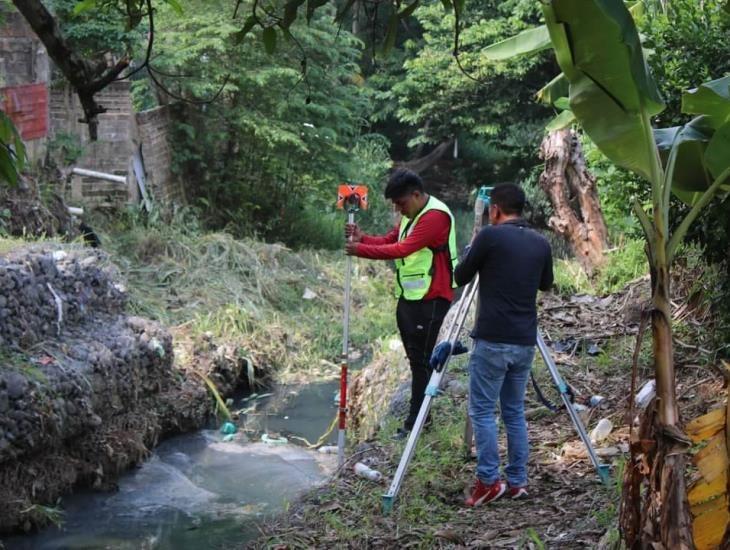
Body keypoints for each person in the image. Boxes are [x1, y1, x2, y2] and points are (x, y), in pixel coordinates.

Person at [454, 183, 553, 507]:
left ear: (494, 209)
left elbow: (462, 275)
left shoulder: (490, 237)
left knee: (482, 410)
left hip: (493, 339)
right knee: (514, 412)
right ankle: (518, 481)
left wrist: (475, 242)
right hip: (524, 342)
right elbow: (546, 284)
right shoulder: (541, 242)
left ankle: (488, 480)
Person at [345, 168, 458, 439]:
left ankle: (415, 424)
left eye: (401, 203)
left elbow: (402, 249)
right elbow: (390, 239)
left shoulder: (434, 217)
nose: (398, 209)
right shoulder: (414, 214)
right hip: (411, 297)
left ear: (416, 195)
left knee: (421, 362)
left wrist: (360, 250)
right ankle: (420, 419)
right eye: (395, 205)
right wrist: (363, 238)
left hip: (432, 297)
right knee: (415, 361)